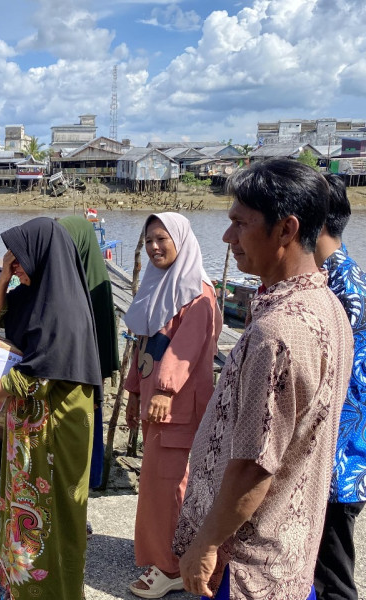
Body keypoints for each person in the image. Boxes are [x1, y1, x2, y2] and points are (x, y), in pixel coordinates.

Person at [174, 159, 353, 600]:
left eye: (239, 223)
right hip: (288, 552)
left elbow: (254, 463)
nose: (227, 237)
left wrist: (207, 543)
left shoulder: (277, 333)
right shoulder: (327, 305)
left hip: (247, 565)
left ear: (286, 230)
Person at [0, 217, 102, 599]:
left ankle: (54, 591)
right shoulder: (34, 294)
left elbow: (32, 377)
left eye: (23, 259)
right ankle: (22, 583)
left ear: (43, 256)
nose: (19, 267)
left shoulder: (62, 307)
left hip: (56, 426)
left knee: (54, 509)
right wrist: (3, 276)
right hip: (29, 423)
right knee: (22, 501)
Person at [122, 212, 222, 598]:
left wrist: (164, 389)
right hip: (154, 404)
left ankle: (172, 565)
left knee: (170, 485)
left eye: (162, 239)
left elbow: (186, 349)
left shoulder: (197, 291)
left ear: (181, 239)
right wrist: (134, 391)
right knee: (156, 482)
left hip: (178, 405)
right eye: (148, 240)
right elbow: (143, 344)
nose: (154, 247)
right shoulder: (157, 284)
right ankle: (163, 553)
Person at [313, 174, 366, 600]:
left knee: (332, 577)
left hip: (338, 462)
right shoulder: (339, 276)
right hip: (340, 456)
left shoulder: (340, 286)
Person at [59, 215, 120, 488]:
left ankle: (84, 491)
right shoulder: (66, 276)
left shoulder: (94, 287)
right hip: (70, 377)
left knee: (83, 433)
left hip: (85, 379)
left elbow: (97, 345)